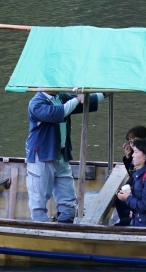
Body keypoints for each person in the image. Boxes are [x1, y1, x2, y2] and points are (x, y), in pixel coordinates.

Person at [26, 89, 102, 223]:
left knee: (68, 201)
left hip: (60, 154)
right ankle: (40, 230)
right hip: (42, 156)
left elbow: (84, 102)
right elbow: (57, 113)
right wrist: (77, 99)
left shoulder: (61, 97)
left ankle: (66, 226)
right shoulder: (36, 104)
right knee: (39, 199)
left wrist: (105, 93)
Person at [113, 126, 146, 225]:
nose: (132, 144)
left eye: (136, 140)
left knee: (121, 220)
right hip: (141, 207)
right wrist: (128, 158)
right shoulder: (137, 158)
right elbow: (133, 175)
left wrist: (133, 211)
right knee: (119, 200)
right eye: (130, 141)